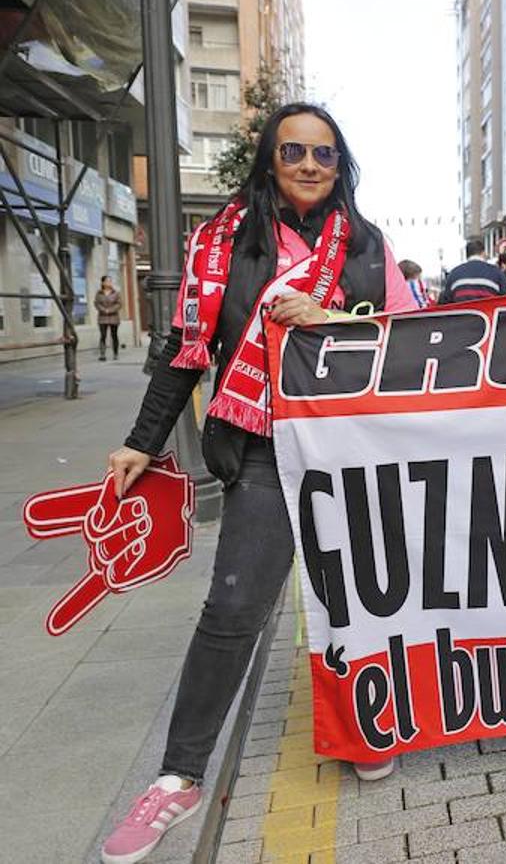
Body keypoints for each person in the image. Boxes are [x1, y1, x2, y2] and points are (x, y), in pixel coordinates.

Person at [99, 103, 416, 864]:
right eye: (295, 150)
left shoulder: (369, 247)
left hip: (353, 447)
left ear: (342, 167)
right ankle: (179, 776)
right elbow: (183, 351)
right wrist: (142, 442)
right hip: (265, 452)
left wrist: (333, 315)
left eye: (326, 155)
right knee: (235, 606)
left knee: (361, 597)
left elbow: (408, 341)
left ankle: (366, 722)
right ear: (270, 159)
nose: (310, 164)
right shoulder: (223, 244)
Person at [438, 238, 506, 304]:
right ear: (483, 253)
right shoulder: (497, 273)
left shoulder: (453, 274)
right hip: (489, 316)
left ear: (467, 255)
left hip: (462, 316)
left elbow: (445, 302)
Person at [95, 275, 123, 361]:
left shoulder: (116, 293)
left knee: (114, 335)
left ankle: (115, 353)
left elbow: (119, 304)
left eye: (110, 281)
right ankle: (102, 354)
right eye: (107, 281)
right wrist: (104, 310)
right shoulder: (99, 293)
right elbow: (97, 303)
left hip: (113, 317)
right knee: (103, 336)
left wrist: (110, 310)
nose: (109, 283)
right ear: (103, 283)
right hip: (102, 318)